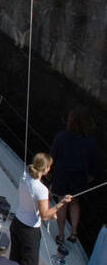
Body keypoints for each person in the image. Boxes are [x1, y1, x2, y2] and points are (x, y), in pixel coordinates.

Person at [9, 154, 72, 265]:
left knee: (15, 258)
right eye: (49, 166)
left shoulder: (24, 178)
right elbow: (44, 215)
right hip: (29, 231)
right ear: (46, 169)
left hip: (17, 223)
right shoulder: (41, 189)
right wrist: (61, 203)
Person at [50, 108, 97, 253]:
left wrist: (49, 172)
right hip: (79, 177)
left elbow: (53, 155)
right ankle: (74, 233)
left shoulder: (61, 137)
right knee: (75, 203)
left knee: (62, 203)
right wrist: (90, 176)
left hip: (62, 174)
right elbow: (92, 162)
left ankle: (61, 234)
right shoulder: (90, 142)